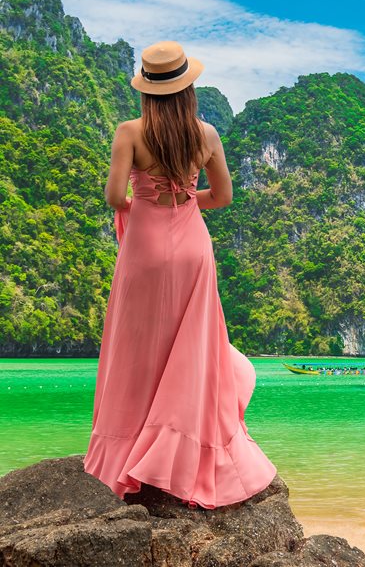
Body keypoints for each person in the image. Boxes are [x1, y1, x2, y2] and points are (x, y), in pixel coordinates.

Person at [83, 41, 277, 509]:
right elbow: (222, 197)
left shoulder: (129, 132)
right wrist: (187, 201)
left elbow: (114, 197)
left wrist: (144, 207)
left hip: (145, 248)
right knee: (191, 348)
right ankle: (180, 455)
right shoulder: (206, 135)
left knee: (137, 346)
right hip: (192, 246)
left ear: (148, 90)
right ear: (188, 88)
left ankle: (128, 452)